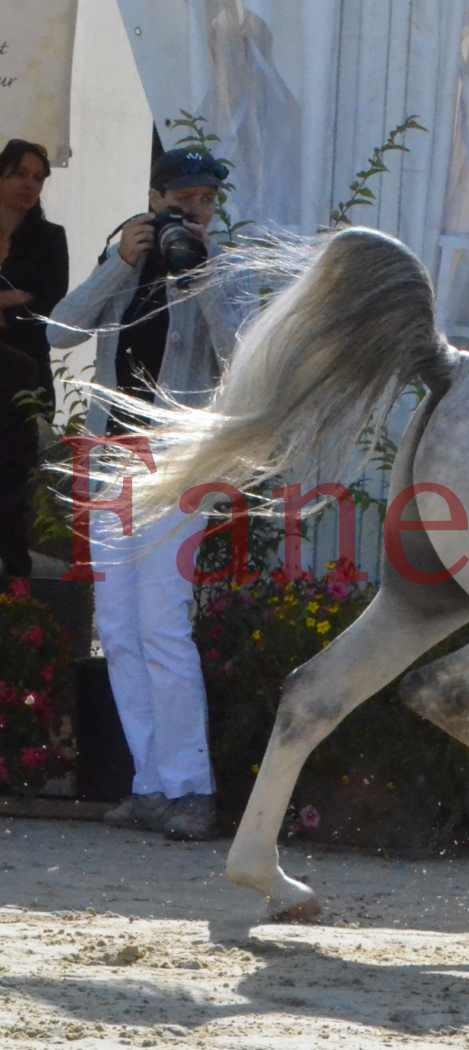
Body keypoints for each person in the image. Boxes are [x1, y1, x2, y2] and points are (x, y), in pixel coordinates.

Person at [47, 147, 241, 840]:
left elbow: (242, 355)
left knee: (161, 625)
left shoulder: (220, 270)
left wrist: (205, 275)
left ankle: (191, 788)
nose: (195, 210)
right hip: (110, 462)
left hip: (174, 465)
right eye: (184, 198)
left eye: (207, 200)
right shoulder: (125, 260)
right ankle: (150, 782)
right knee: (120, 631)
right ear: (156, 198)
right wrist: (121, 263)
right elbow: (61, 330)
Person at [0, 138, 68, 581]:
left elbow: (47, 303)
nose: (30, 184)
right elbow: (21, 299)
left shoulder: (49, 238)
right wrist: (9, 298)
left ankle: (16, 585)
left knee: (13, 479)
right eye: (20, 173)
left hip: (22, 374)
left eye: (38, 178)